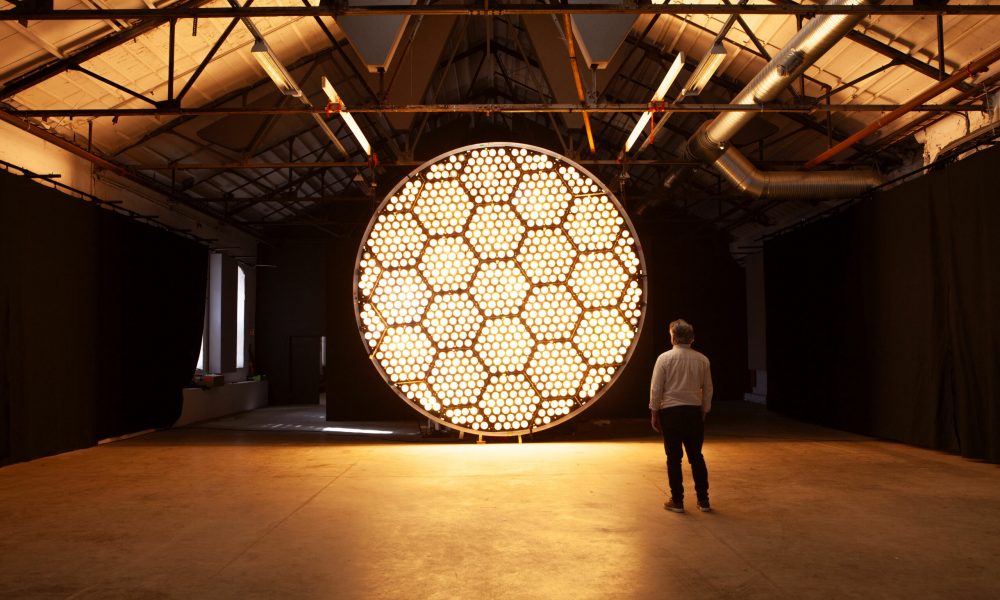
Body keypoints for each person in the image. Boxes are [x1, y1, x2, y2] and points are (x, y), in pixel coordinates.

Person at [650, 319, 713, 513]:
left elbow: (656, 388)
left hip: (671, 413)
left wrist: (654, 412)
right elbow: (708, 389)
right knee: (696, 457)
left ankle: (677, 500)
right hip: (693, 412)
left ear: (673, 337)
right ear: (691, 338)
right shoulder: (702, 359)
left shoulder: (664, 358)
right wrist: (704, 410)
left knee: (674, 458)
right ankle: (703, 501)